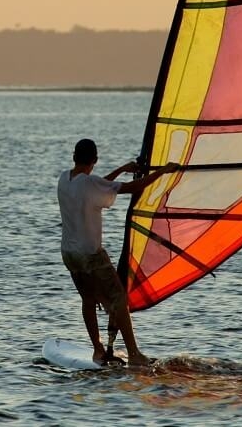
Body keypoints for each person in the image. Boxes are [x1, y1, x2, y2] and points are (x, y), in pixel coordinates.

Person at [56, 138, 180, 366]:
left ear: (75, 157)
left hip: (69, 253)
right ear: (94, 160)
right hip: (91, 254)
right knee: (119, 299)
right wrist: (164, 171)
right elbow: (131, 188)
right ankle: (134, 354)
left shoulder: (64, 179)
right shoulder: (90, 184)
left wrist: (123, 169)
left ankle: (97, 350)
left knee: (88, 299)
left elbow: (99, 184)